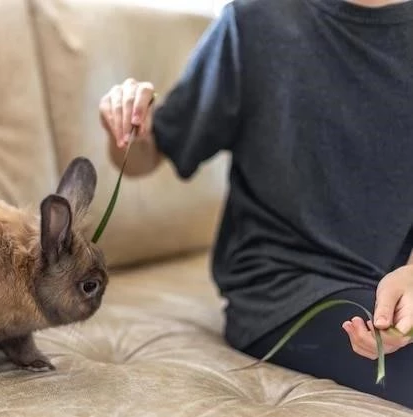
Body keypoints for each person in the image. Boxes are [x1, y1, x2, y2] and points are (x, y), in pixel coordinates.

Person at [99, 0, 413, 409]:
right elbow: (150, 153)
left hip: (397, 281)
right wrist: (127, 126)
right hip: (284, 289)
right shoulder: (255, 20)